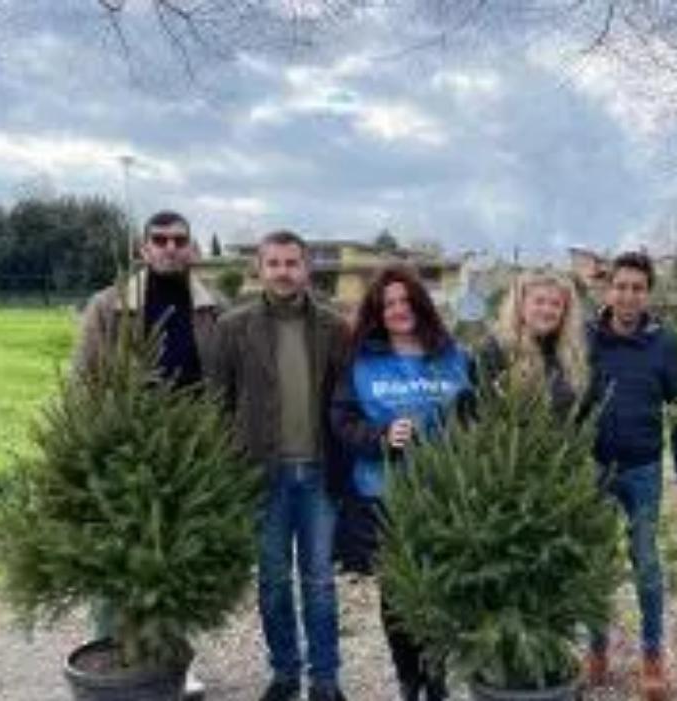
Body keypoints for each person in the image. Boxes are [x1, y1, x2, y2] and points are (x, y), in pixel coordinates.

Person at [73, 209, 221, 700]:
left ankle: (174, 662)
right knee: (116, 559)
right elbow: (85, 380)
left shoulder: (211, 308)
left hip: (190, 455)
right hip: (122, 452)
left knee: (176, 560)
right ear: (143, 248)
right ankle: (114, 654)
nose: (170, 248)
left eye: (179, 240)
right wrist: (94, 448)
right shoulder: (108, 306)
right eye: (160, 239)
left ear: (191, 248)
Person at [209, 230, 350, 701]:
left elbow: (346, 402)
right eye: (274, 263)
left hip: (318, 473)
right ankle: (285, 673)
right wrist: (226, 470)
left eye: (292, 263)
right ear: (260, 268)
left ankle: (325, 679)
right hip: (259, 475)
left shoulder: (334, 327)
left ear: (306, 268)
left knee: (320, 582)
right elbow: (218, 405)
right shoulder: (233, 328)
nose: (283, 272)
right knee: (272, 582)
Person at [330, 265, 473, 701]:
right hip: (384, 496)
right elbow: (342, 421)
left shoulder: (452, 355)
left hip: (444, 493)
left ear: (420, 305)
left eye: (406, 300)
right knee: (397, 593)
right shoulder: (361, 362)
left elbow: (475, 413)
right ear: (378, 312)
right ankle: (408, 679)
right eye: (388, 303)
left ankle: (437, 678)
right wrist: (381, 436)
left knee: (441, 586)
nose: (398, 309)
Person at [586, 252, 677, 701]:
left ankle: (652, 655)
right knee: (594, 563)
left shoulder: (665, 342)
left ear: (647, 293)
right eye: (621, 286)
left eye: (638, 288)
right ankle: (596, 649)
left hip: (644, 471)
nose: (628, 296)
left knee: (646, 562)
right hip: (594, 469)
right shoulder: (587, 336)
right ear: (608, 290)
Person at [477, 268, 589, 415]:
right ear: (521, 305)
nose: (547, 310)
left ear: (565, 312)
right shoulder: (498, 349)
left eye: (556, 304)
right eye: (539, 301)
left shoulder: (570, 352)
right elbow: (488, 411)